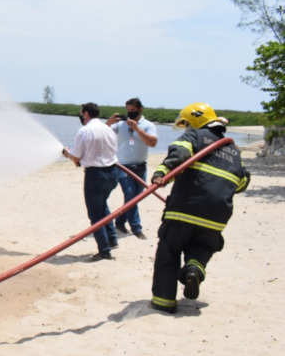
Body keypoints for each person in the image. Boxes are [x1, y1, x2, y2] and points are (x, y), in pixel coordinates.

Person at [148, 103, 250, 314]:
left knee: (170, 249)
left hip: (185, 208)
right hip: (216, 216)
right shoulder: (233, 150)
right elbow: (242, 183)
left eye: (186, 124)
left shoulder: (195, 136)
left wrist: (162, 173)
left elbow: (179, 154)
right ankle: (193, 269)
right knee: (203, 246)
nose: (186, 129)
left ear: (193, 121)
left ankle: (163, 302)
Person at [62, 102, 119, 261]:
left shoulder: (84, 131)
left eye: (81, 113)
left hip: (95, 176)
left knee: (95, 214)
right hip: (113, 174)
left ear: (86, 114)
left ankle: (104, 251)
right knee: (102, 205)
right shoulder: (108, 129)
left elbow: (76, 157)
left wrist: (67, 153)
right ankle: (112, 239)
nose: (81, 116)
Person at [106, 97, 157, 240]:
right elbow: (103, 133)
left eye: (133, 110)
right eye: (127, 110)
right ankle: (136, 228)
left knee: (136, 197)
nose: (130, 113)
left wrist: (137, 128)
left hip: (141, 166)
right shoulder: (121, 124)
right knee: (130, 195)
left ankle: (120, 221)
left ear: (140, 109)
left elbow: (152, 143)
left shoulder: (148, 125)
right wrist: (109, 122)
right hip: (123, 166)